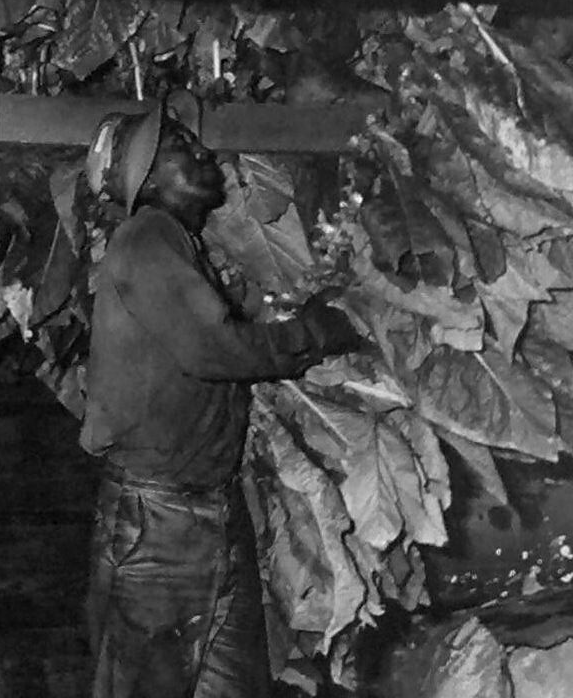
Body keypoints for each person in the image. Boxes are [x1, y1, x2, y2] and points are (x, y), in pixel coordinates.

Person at [81, 96, 361, 698]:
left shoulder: (176, 246)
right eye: (181, 145)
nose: (203, 150)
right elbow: (216, 350)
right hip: (158, 524)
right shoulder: (147, 237)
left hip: (203, 512)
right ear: (148, 178)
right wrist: (322, 332)